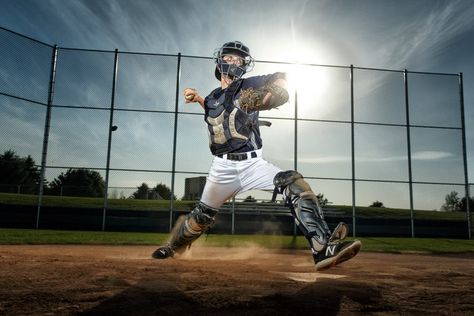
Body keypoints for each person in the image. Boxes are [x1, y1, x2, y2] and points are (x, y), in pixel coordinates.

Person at [152, 41, 361, 271]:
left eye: (240, 59)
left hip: (252, 163)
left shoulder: (248, 84)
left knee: (292, 182)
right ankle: (173, 248)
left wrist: (277, 89)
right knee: (201, 216)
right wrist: (199, 99)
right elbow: (216, 109)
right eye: (230, 58)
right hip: (221, 168)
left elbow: (281, 76)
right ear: (220, 61)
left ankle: (322, 249)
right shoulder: (212, 97)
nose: (235, 62)